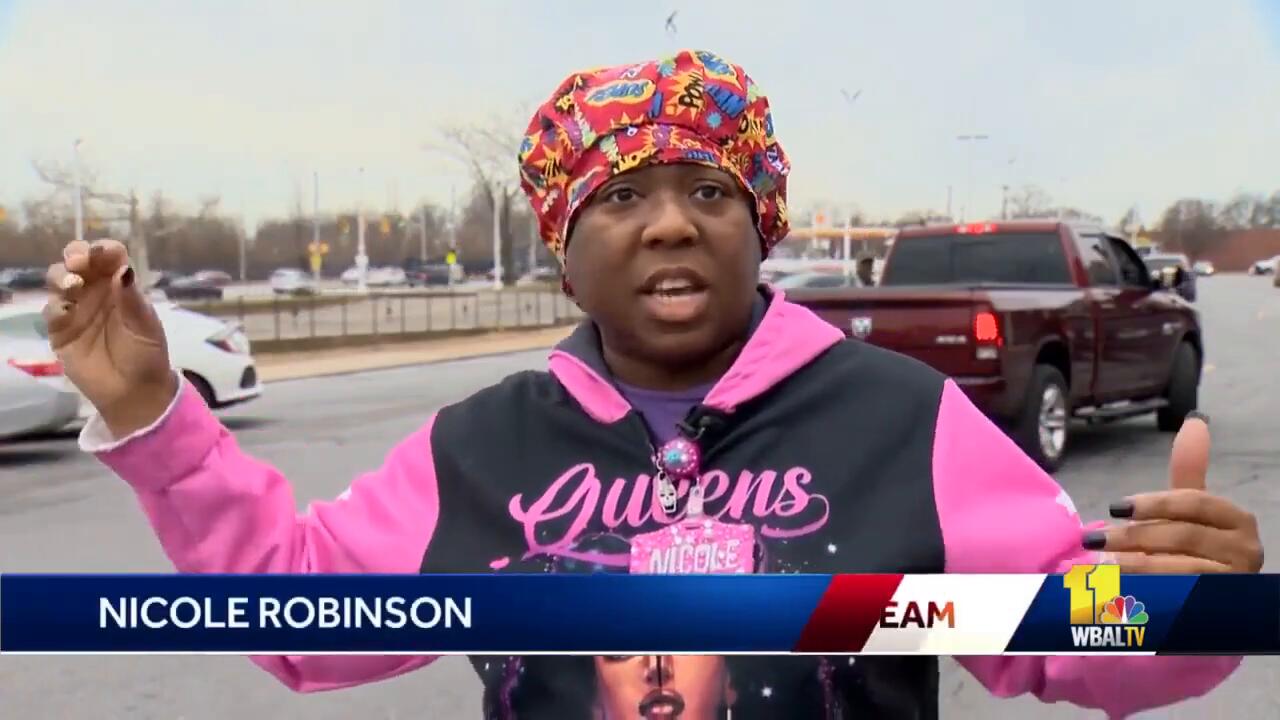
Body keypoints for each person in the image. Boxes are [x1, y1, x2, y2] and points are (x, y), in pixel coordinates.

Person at [44, 49, 1261, 719]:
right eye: (620, 196)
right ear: (561, 253)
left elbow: (1065, 634)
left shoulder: (903, 421)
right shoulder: (479, 449)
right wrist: (156, 419)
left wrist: (1172, 611)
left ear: (758, 227)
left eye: (708, 192)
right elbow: (301, 623)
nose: (670, 224)